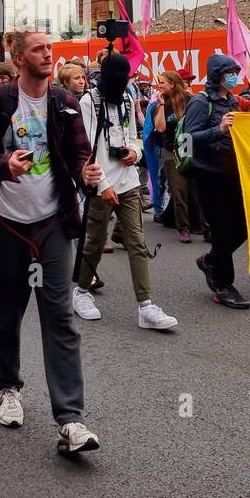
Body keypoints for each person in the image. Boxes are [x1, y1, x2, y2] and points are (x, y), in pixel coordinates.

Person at [0, 29, 101, 454]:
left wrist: (86, 173)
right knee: (8, 313)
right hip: (7, 225)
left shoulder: (65, 102)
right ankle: (9, 388)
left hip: (53, 224)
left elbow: (78, 154)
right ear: (20, 59)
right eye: (39, 49)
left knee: (59, 317)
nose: (49, 54)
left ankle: (71, 420)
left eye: (50, 48)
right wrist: (4, 163)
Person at [71, 51, 178, 331]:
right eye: (117, 76)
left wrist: (135, 152)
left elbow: (134, 136)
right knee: (94, 243)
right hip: (100, 183)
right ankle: (81, 292)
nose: (122, 81)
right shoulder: (88, 102)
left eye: (125, 76)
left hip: (129, 182)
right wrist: (103, 186)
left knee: (137, 242)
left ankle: (146, 305)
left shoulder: (128, 99)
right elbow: (86, 150)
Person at [186, 53, 250, 309]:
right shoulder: (201, 103)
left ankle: (211, 260)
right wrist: (219, 130)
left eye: (235, 72)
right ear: (216, 76)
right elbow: (186, 141)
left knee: (243, 226)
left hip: (232, 173)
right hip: (209, 175)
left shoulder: (233, 100)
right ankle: (223, 285)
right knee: (222, 230)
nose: (233, 77)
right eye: (228, 73)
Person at [153, 70, 206, 244]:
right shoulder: (160, 104)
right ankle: (183, 228)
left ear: (173, 84)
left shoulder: (191, 100)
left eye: (162, 83)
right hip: (171, 150)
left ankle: (205, 227)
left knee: (197, 188)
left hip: (189, 144)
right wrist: (160, 105)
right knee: (179, 190)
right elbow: (160, 128)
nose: (159, 86)